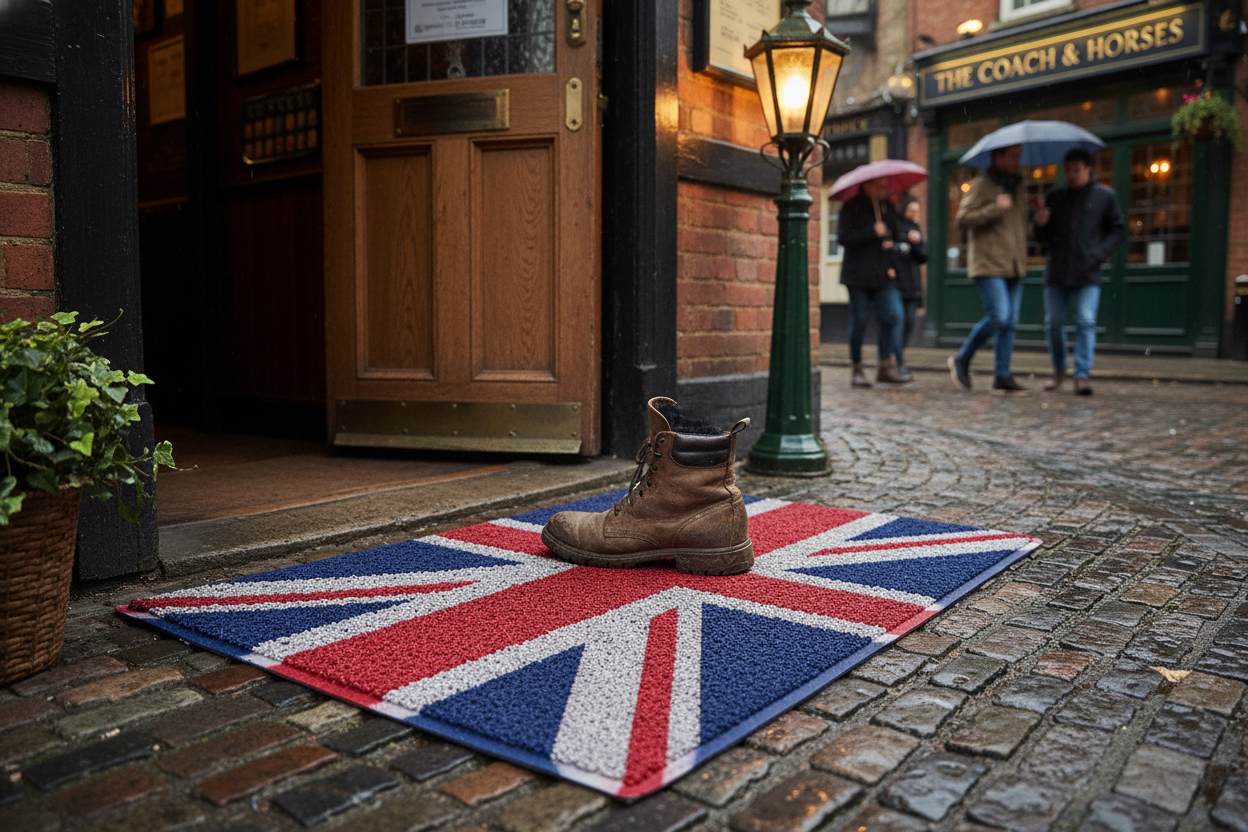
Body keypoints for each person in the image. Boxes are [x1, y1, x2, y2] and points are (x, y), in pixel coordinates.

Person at [1033, 149, 1125, 396]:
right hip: (1058, 271)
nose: (1071, 175)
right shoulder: (1055, 197)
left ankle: (1082, 374)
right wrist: (1039, 223)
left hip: (1088, 272)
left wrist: (1098, 254)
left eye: (1076, 170)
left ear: (1088, 169)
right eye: (1068, 171)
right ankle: (1059, 368)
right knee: (1053, 324)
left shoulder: (1106, 196)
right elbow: (1043, 239)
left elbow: (1118, 230)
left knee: (1085, 321)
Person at [947, 144, 1029, 394]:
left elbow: (1017, 227)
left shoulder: (1018, 186)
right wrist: (995, 208)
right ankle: (962, 358)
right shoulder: (982, 184)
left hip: (1014, 263)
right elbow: (962, 219)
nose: (1017, 161)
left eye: (1019, 156)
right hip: (989, 262)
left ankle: (1002, 375)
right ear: (998, 157)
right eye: (1012, 156)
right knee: (999, 316)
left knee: (1010, 323)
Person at [838, 178, 908, 387]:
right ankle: (857, 369)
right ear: (867, 186)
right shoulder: (851, 208)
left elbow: (897, 231)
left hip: (883, 274)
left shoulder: (888, 207)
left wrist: (891, 237)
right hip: (857, 275)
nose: (886, 188)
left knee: (892, 316)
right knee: (859, 320)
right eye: (880, 185)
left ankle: (885, 366)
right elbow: (843, 238)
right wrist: (871, 231)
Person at [891, 196, 928, 379]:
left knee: (910, 322)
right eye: (911, 210)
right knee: (899, 321)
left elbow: (923, 257)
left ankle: (899, 357)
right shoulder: (896, 225)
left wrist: (918, 242)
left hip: (913, 284)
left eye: (917, 210)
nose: (914, 214)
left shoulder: (916, 229)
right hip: (898, 283)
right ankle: (897, 362)